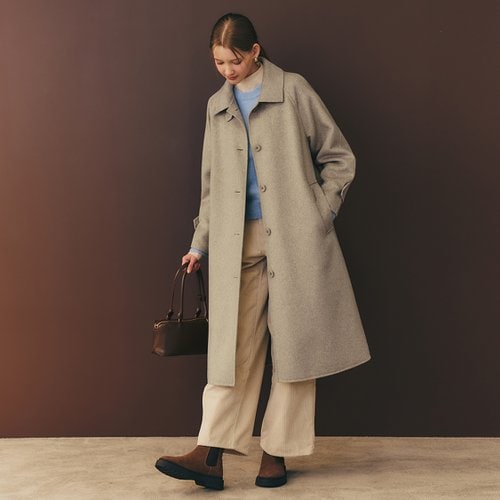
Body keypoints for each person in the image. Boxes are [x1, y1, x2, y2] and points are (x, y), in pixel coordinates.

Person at [155, 12, 371, 491]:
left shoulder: (293, 90)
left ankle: (276, 452)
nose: (227, 70)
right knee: (231, 347)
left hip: (296, 238)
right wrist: (198, 243)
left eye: (234, 60)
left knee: (295, 347)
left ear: (255, 51)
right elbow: (211, 186)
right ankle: (210, 452)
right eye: (218, 62)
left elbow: (340, 157)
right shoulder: (217, 106)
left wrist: (319, 213)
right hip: (237, 241)